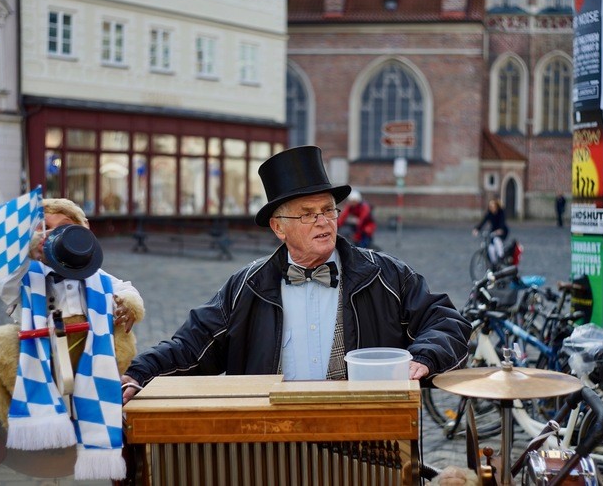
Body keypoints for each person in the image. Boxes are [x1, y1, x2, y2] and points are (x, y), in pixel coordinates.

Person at [121, 145, 471, 404]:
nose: (322, 221)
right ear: (278, 227)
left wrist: (425, 357)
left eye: (328, 210)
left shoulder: (385, 275)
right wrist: (139, 373)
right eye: (307, 214)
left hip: (367, 439)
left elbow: (445, 322)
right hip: (273, 441)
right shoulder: (247, 286)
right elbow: (192, 346)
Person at [0, 198, 145, 480]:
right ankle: (41, 425)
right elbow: (6, 276)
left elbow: (125, 289)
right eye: (46, 229)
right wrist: (28, 248)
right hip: (43, 355)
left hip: (88, 355)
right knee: (0, 341)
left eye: (64, 227)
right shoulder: (27, 276)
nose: (54, 235)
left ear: (84, 230)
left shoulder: (98, 278)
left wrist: (127, 303)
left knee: (120, 338)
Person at [472, 198, 509, 266]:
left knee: (496, 240)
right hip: (493, 232)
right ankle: (494, 264)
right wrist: (477, 229)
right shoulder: (489, 214)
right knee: (491, 248)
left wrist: (500, 230)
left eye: (492, 206)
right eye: (490, 207)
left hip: (502, 231)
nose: (491, 208)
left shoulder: (501, 212)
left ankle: (501, 256)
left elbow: (502, 222)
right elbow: (483, 222)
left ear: (496, 206)